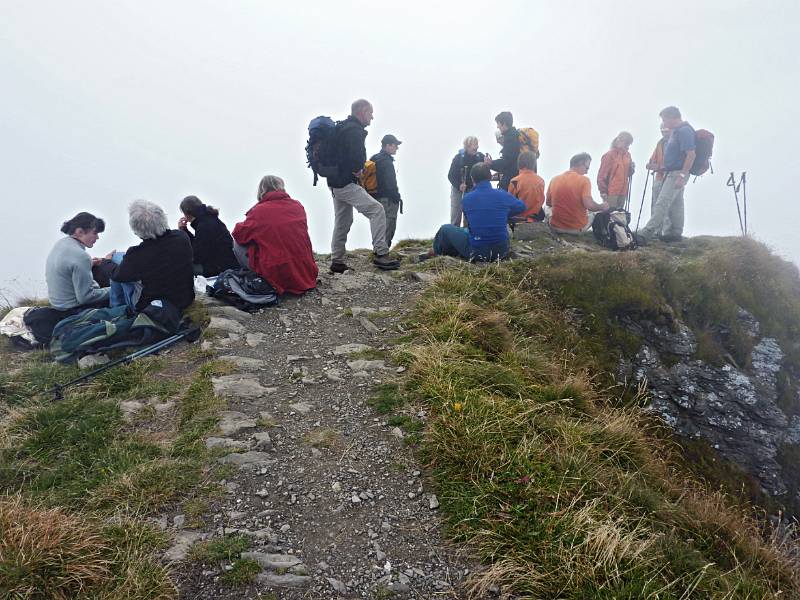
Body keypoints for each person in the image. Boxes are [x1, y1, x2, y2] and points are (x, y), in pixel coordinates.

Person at [326, 99, 400, 273]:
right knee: (377, 210)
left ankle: (337, 260)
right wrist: (358, 170)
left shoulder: (343, 127)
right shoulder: (355, 131)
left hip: (335, 183)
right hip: (346, 183)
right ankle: (381, 254)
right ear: (362, 112)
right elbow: (357, 159)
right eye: (370, 113)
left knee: (343, 220)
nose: (372, 117)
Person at [231, 175, 318, 296]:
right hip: (306, 273)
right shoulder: (297, 206)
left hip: (278, 275)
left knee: (237, 241)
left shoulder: (259, 211)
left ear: (262, 190)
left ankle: (255, 277)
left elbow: (238, 234)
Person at [104, 200, 195, 312]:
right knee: (122, 259)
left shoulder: (138, 254)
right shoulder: (181, 236)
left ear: (136, 230)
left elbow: (117, 275)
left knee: (116, 258)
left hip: (153, 307)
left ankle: (117, 309)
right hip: (184, 299)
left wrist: (106, 262)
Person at [425, 163, 524, 262]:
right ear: (490, 177)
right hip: (502, 251)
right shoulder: (502, 195)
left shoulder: (467, 199)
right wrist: (504, 213)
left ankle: (436, 252)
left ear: (472, 179)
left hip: (477, 252)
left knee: (445, 229)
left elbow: (471, 223)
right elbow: (522, 207)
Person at [638, 106, 696, 243]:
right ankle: (675, 233)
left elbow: (691, 154)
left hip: (677, 173)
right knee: (676, 203)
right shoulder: (677, 131)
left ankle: (646, 233)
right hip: (672, 171)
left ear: (672, 117)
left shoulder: (684, 131)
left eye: (665, 119)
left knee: (662, 202)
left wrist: (682, 175)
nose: (664, 123)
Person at [45, 212, 110, 310]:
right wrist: (115, 289)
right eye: (95, 233)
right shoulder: (81, 256)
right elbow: (86, 297)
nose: (97, 237)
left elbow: (68, 267)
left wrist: (90, 263)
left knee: (99, 270)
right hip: (73, 310)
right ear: (79, 232)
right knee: (115, 285)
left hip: (58, 306)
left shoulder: (61, 244)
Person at [546, 153, 609, 234]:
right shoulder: (584, 180)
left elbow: (548, 203)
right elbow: (589, 205)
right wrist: (601, 206)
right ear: (581, 164)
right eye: (587, 168)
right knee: (595, 213)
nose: (587, 172)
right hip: (576, 229)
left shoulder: (554, 179)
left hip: (555, 227)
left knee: (547, 208)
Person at [177, 196, 238, 277]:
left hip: (220, 269)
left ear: (188, 213)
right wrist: (185, 230)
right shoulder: (209, 219)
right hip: (226, 264)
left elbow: (197, 256)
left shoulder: (204, 226)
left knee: (181, 267)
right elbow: (199, 245)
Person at [371, 134, 403, 248]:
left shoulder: (375, 158)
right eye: (395, 145)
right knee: (388, 226)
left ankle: (378, 250)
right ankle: (383, 252)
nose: (397, 148)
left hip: (375, 198)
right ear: (388, 145)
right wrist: (396, 197)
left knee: (378, 226)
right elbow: (390, 184)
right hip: (387, 200)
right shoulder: (386, 161)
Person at [447, 136, 485, 226]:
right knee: (456, 214)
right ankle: (454, 234)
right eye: (474, 144)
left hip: (473, 189)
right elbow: (451, 175)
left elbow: (486, 169)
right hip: (458, 190)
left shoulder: (480, 157)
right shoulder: (458, 158)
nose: (477, 147)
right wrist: (459, 185)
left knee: (470, 214)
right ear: (467, 146)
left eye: (477, 144)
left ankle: (468, 234)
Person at [597, 132, 635, 209]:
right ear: (619, 140)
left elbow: (629, 173)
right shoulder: (609, 155)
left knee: (619, 216)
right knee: (610, 215)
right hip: (611, 192)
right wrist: (603, 191)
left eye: (629, 143)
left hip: (623, 192)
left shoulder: (627, 155)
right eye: (626, 143)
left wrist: (632, 168)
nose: (627, 146)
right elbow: (601, 175)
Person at [487, 111, 521, 190]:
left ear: (504, 123)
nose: (497, 126)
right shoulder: (514, 135)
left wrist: (490, 163)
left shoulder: (511, 138)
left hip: (512, 181)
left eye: (498, 123)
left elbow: (506, 162)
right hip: (516, 178)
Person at [508, 151, 546, 222]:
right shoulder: (541, 181)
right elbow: (541, 200)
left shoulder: (515, 181)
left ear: (519, 163)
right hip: (535, 219)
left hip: (519, 219)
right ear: (534, 164)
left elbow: (510, 204)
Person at [646, 125, 671, 211]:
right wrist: (651, 165)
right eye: (662, 130)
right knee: (656, 202)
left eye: (666, 130)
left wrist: (660, 167)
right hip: (659, 177)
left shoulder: (676, 142)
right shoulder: (660, 143)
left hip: (671, 177)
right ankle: (655, 224)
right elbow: (653, 159)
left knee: (666, 203)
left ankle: (665, 224)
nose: (664, 132)